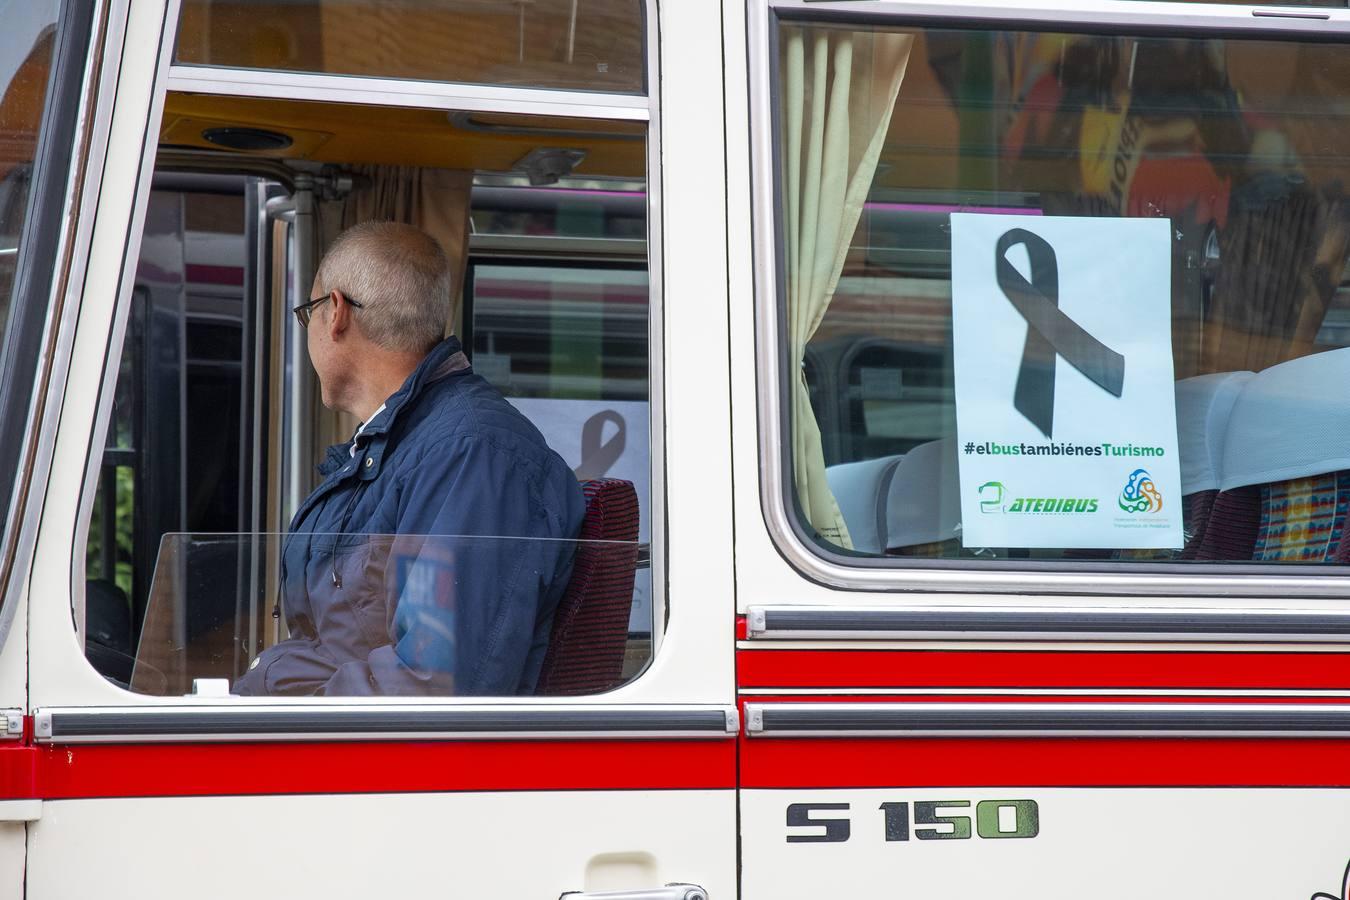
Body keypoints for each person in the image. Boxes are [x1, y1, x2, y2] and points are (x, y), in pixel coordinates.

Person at [233, 221, 585, 696]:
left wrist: (281, 712)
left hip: (370, 761)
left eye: (307, 314)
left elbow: (432, 686)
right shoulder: (405, 446)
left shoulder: (469, 453)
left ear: (335, 313)